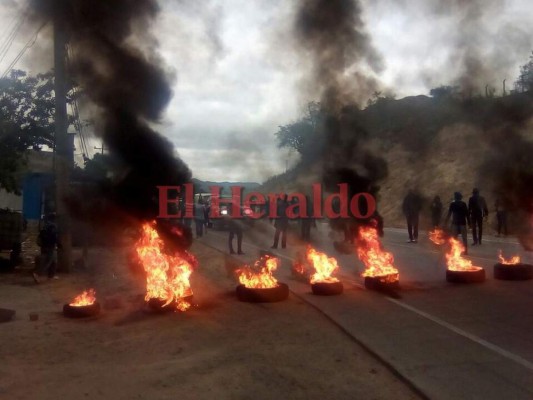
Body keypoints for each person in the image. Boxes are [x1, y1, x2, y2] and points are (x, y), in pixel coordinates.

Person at [33, 213, 59, 283]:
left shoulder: (46, 225)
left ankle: (51, 276)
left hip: (44, 246)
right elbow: (54, 237)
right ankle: (37, 274)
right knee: (48, 261)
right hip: (49, 246)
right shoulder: (53, 226)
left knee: (53, 261)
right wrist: (59, 244)